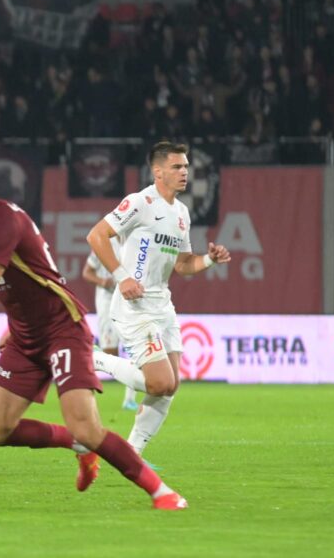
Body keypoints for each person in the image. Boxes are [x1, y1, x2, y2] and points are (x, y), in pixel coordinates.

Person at [0, 148, 187, 510]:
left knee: (88, 427)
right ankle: (75, 445)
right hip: (26, 335)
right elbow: (29, 277)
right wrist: (14, 322)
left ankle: (162, 492)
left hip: (62, 329)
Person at [86, 141, 231, 459]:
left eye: (186, 166)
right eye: (177, 166)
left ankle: (131, 454)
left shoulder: (181, 213)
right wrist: (121, 275)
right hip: (134, 307)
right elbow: (96, 235)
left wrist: (208, 260)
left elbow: (183, 265)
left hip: (162, 306)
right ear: (158, 171)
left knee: (171, 385)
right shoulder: (139, 202)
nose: (185, 172)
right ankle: (93, 359)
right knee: (159, 381)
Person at [82, 239, 138, 411]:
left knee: (134, 349)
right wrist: (103, 282)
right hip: (107, 302)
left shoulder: (135, 241)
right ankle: (93, 359)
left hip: (128, 302)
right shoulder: (104, 244)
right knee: (110, 352)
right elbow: (87, 272)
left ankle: (129, 400)